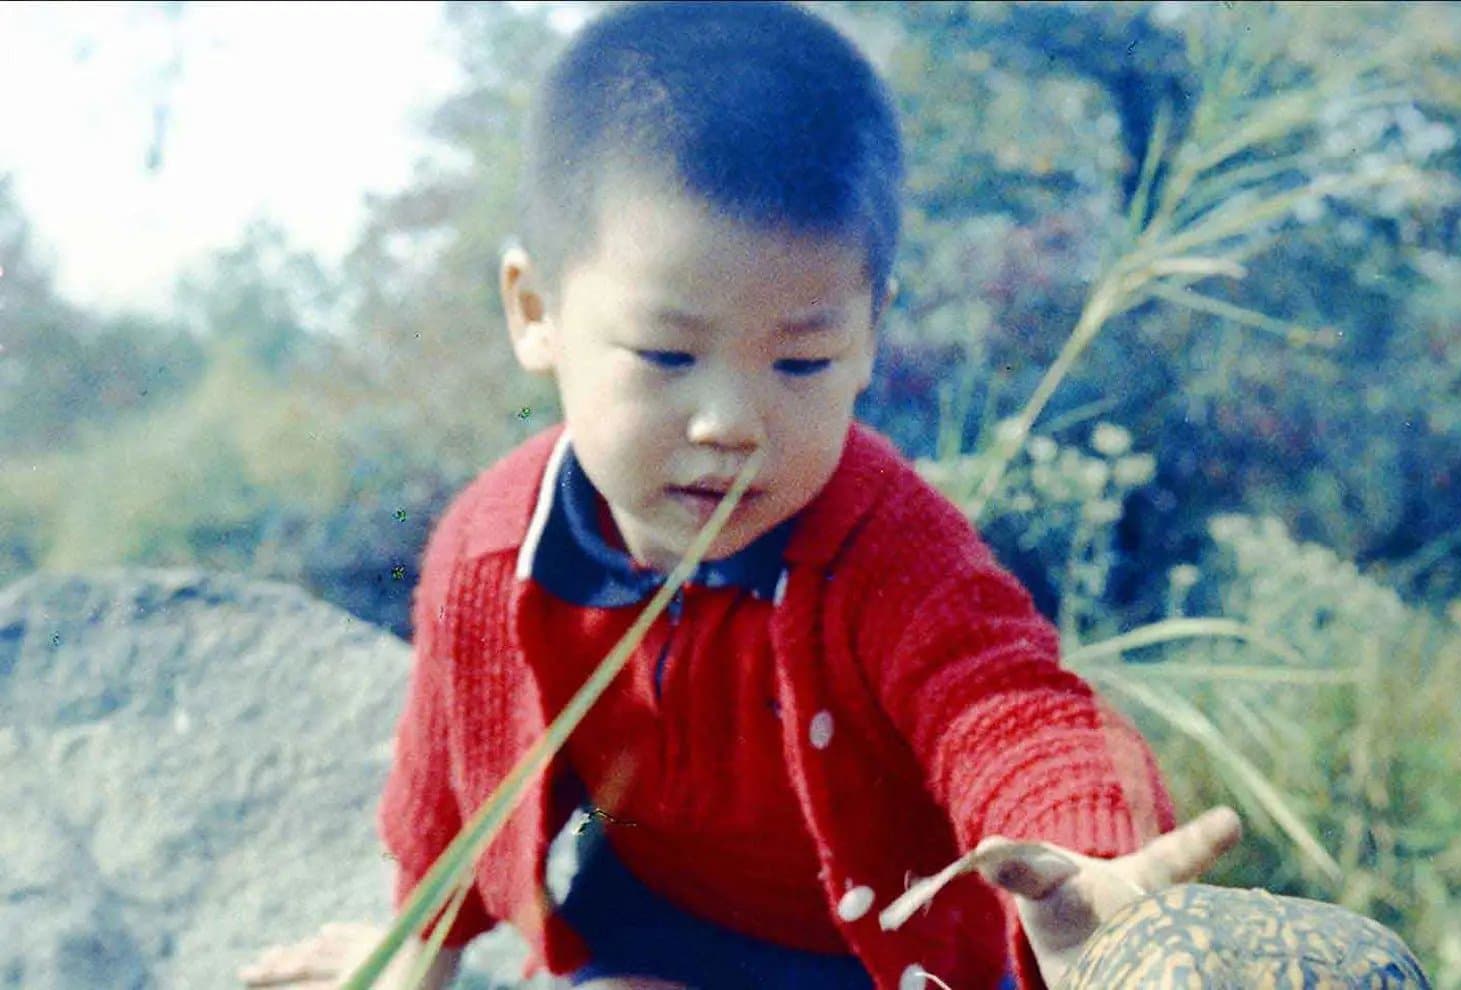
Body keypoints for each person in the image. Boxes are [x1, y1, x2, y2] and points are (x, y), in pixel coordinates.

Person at [240, 3, 1240, 988]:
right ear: (536, 310)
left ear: (867, 337)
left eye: (802, 361)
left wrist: (1084, 858)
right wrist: (415, 958)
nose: (731, 422)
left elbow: (1004, 710)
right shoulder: (498, 550)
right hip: (652, 924)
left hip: (874, 957)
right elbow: (448, 779)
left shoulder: (885, 545)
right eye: (667, 354)